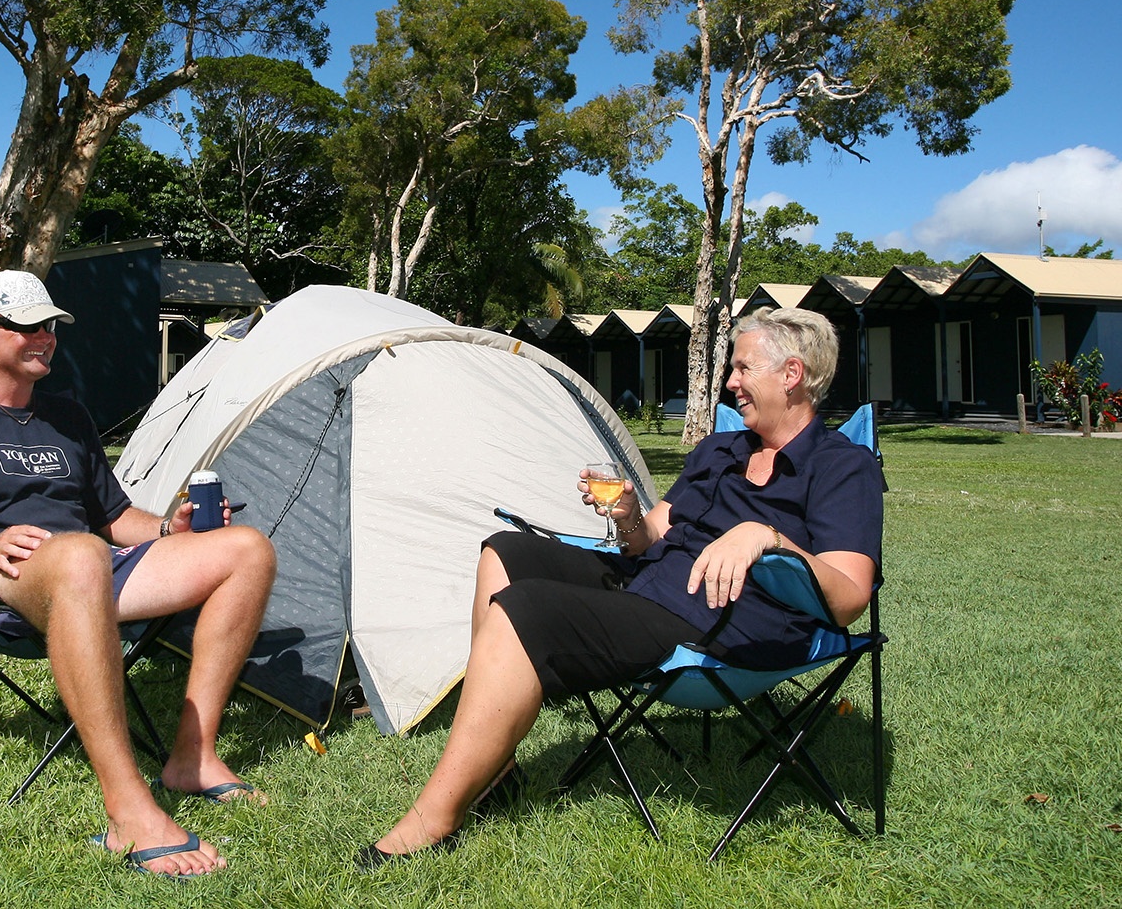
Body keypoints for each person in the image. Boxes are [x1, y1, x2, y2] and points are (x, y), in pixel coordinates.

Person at [360, 307, 882, 866]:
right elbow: (648, 538)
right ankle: (498, 768)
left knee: (527, 609)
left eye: (742, 368)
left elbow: (850, 595)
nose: (730, 382)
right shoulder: (720, 451)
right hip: (649, 585)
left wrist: (767, 537)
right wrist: (630, 513)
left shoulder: (841, 467)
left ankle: (433, 820)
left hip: (721, 623)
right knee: (503, 551)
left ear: (792, 374)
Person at [0, 270, 276, 879]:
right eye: (25, 326)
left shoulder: (68, 417)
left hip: (93, 568)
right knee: (82, 553)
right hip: (4, 578)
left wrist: (170, 531)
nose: (43, 337)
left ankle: (193, 756)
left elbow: (113, 518)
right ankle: (128, 810)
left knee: (247, 549)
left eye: (49, 327)